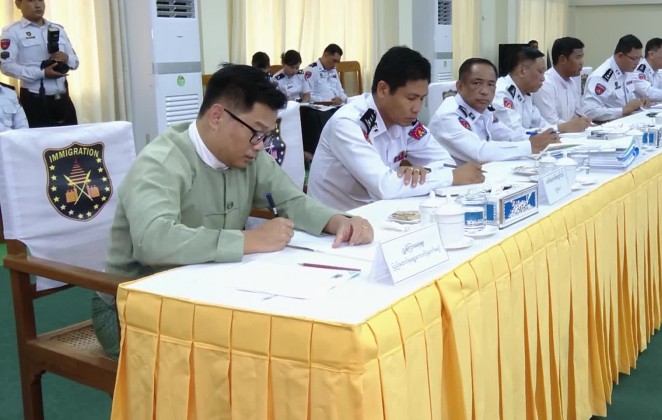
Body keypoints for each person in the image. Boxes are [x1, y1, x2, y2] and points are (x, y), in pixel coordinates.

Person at [92, 64, 373, 358]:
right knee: (254, 351)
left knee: (295, 335)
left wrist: (337, 220)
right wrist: (249, 240)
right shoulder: (161, 162)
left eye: (267, 135)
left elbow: (291, 200)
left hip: (210, 290)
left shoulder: (248, 155)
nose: (261, 146)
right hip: (133, 306)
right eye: (257, 133)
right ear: (217, 117)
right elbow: (154, 241)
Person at [308, 46, 485, 211]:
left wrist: (422, 173)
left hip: (381, 213)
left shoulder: (406, 121)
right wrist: (451, 177)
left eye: (422, 98)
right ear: (383, 89)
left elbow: (445, 162)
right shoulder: (348, 124)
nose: (417, 108)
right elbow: (385, 187)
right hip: (335, 223)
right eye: (411, 98)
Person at [430, 58, 555, 164]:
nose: (485, 91)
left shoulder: (482, 110)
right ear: (460, 86)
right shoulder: (448, 116)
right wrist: (530, 146)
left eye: (490, 84)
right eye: (477, 83)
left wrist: (538, 139)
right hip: (453, 182)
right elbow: (479, 153)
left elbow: (508, 136)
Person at [1, 0, 78, 128]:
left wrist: (66, 58)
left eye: (41, 0)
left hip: (63, 100)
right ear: (18, 4)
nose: (38, 5)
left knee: (72, 140)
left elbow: (75, 62)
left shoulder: (58, 29)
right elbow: (6, 66)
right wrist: (42, 73)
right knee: (38, 141)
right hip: (34, 101)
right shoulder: (12, 32)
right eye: (31, 1)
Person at [492, 47, 558, 140]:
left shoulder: (525, 93)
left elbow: (541, 124)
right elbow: (514, 134)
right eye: (540, 72)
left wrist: (561, 128)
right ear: (522, 71)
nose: (543, 78)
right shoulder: (501, 92)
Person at [581, 34, 649, 122]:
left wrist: (640, 102)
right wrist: (622, 111)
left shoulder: (627, 70)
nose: (637, 63)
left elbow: (629, 100)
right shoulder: (601, 77)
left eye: (639, 58)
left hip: (625, 122)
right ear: (620, 56)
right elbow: (589, 111)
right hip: (605, 125)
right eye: (634, 59)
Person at [533, 37, 591, 131]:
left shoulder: (572, 82)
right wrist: (575, 125)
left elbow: (578, 114)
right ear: (563, 59)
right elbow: (550, 123)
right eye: (578, 57)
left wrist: (585, 121)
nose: (582, 62)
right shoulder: (545, 83)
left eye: (582, 57)